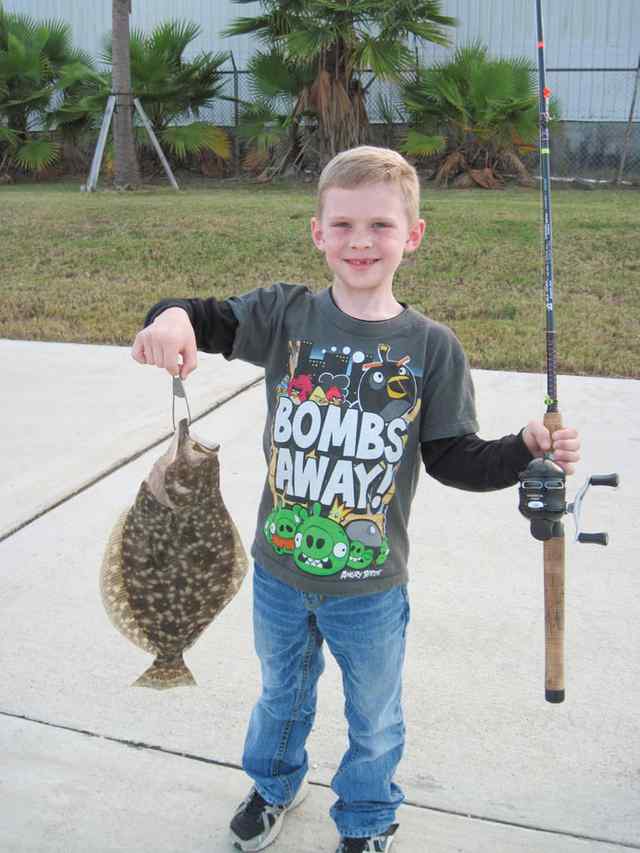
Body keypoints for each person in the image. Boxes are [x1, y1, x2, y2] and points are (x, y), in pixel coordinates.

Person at [132, 146, 580, 853]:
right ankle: (274, 784)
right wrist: (170, 321)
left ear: (414, 235)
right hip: (278, 574)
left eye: (380, 225)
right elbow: (202, 316)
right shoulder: (285, 315)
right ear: (318, 233)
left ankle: (368, 816)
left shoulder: (432, 347)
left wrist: (523, 448)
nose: (360, 241)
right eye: (342, 225)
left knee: (374, 715)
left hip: (371, 588)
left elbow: (454, 458)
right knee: (280, 695)